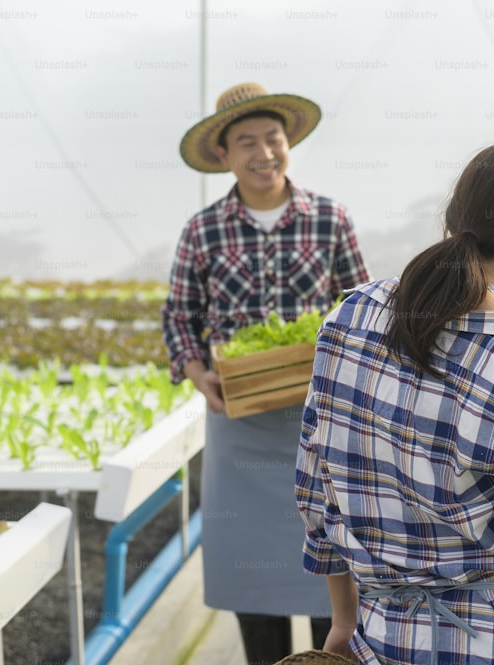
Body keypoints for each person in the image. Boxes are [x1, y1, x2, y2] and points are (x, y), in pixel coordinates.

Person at [295, 142, 494, 665]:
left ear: (453, 220)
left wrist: (343, 619)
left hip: (382, 638)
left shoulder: (352, 319)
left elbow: (316, 489)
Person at [162, 82, 370, 665]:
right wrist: (199, 371)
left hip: (320, 426)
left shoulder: (329, 218)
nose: (263, 153)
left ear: (288, 144)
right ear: (224, 156)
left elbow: (359, 308)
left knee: (328, 579)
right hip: (240, 423)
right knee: (251, 578)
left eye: (273, 139)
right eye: (246, 142)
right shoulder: (203, 230)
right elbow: (180, 317)